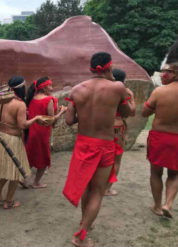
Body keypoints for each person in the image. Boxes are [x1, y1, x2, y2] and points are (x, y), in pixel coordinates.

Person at [62, 52, 132, 247]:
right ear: (109, 67)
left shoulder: (77, 89)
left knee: (86, 186)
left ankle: (84, 222)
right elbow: (126, 113)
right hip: (104, 145)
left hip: (83, 143)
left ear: (91, 68)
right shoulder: (118, 87)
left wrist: (84, 115)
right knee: (98, 191)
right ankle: (80, 236)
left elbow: (68, 121)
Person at [0, 75, 49, 209]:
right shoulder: (19, 104)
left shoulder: (3, 100)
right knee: (16, 172)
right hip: (12, 139)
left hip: (1, 137)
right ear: (21, 88)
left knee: (11, 167)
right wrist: (36, 118)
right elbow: (22, 125)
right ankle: (8, 202)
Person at [142, 40, 178, 218]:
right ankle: (168, 204)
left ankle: (157, 206)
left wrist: (155, 107)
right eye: (163, 71)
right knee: (175, 174)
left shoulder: (159, 92)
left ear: (176, 73)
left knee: (156, 173)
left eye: (167, 71)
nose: (164, 74)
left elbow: (144, 113)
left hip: (159, 136)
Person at [25, 76, 67, 188]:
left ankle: (23, 179)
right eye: (50, 86)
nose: (52, 89)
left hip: (32, 132)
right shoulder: (49, 100)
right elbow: (51, 120)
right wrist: (61, 112)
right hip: (42, 133)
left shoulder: (33, 98)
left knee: (30, 157)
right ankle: (36, 183)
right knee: (43, 159)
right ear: (44, 88)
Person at [104, 69, 136, 196]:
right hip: (117, 128)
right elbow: (131, 112)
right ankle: (107, 188)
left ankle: (96, 186)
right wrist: (132, 98)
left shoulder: (103, 90)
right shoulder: (125, 92)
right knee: (116, 160)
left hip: (101, 127)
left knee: (101, 158)